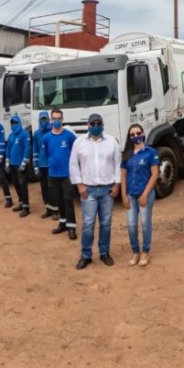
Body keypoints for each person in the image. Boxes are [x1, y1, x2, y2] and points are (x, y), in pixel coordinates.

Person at [70, 113, 120, 269]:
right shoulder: (79, 143)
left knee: (106, 224)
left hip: (107, 191)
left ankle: (104, 253)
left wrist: (117, 185)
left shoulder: (112, 142)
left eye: (99, 123)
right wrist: (79, 185)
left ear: (103, 124)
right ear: (88, 125)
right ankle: (86, 255)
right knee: (88, 224)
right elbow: (73, 165)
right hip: (88, 191)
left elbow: (118, 164)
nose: (96, 126)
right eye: (93, 123)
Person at [120, 124, 159, 266]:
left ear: (143, 134)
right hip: (130, 194)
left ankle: (145, 252)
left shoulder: (150, 152)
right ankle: (135, 251)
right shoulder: (126, 154)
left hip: (145, 194)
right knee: (131, 224)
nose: (136, 136)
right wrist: (123, 196)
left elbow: (155, 174)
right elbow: (123, 176)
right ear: (129, 138)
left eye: (138, 133)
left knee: (145, 223)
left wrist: (145, 194)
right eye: (132, 134)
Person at [43, 108, 78, 240]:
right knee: (59, 201)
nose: (57, 121)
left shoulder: (69, 136)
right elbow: (47, 153)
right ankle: (62, 223)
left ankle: (71, 227)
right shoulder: (47, 137)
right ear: (51, 120)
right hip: (53, 174)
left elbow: (76, 152)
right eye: (54, 118)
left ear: (62, 120)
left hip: (67, 175)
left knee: (68, 200)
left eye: (59, 118)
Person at [6, 114, 32, 217]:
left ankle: (26, 207)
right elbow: (8, 149)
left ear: (19, 123)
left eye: (15, 123)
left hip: (21, 164)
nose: (13, 125)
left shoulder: (25, 134)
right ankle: (21, 203)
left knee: (23, 185)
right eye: (12, 123)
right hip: (13, 164)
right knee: (16, 184)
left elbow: (27, 148)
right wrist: (7, 161)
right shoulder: (11, 135)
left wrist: (24, 162)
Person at [32, 112, 56, 219]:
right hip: (41, 165)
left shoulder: (53, 132)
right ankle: (48, 209)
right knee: (44, 188)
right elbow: (35, 150)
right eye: (41, 119)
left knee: (52, 189)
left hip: (51, 165)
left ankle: (56, 210)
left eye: (45, 119)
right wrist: (35, 166)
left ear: (49, 119)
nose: (43, 121)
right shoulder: (36, 133)